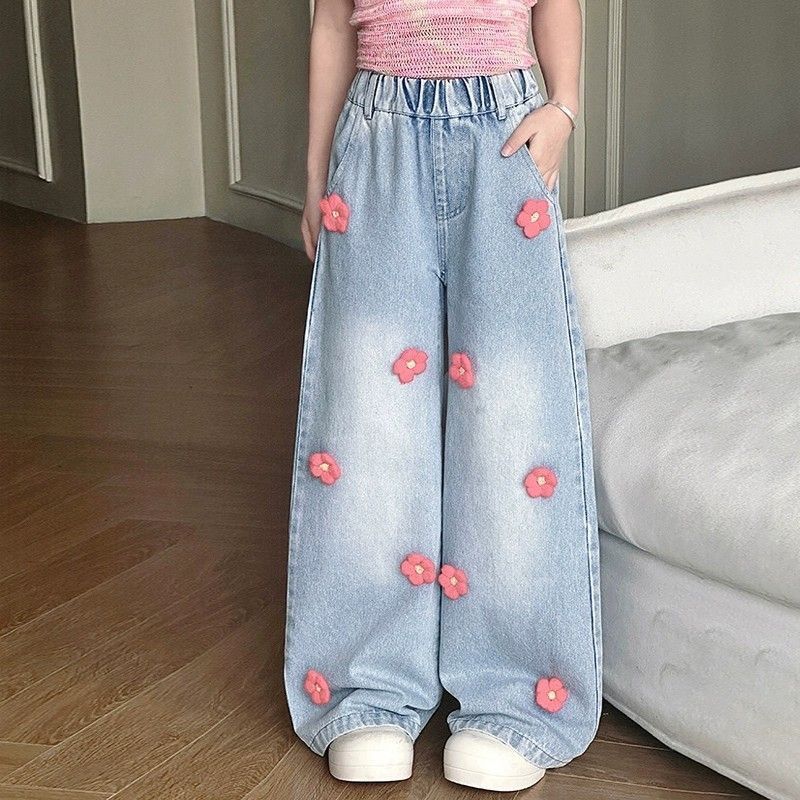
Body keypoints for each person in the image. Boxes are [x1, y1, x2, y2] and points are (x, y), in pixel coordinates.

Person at [283, 0, 601, 791]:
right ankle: (366, 688)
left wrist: (563, 107)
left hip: (507, 129)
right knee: (366, 416)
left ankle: (517, 694)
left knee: (512, 417)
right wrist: (316, 175)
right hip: (376, 131)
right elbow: (331, 24)